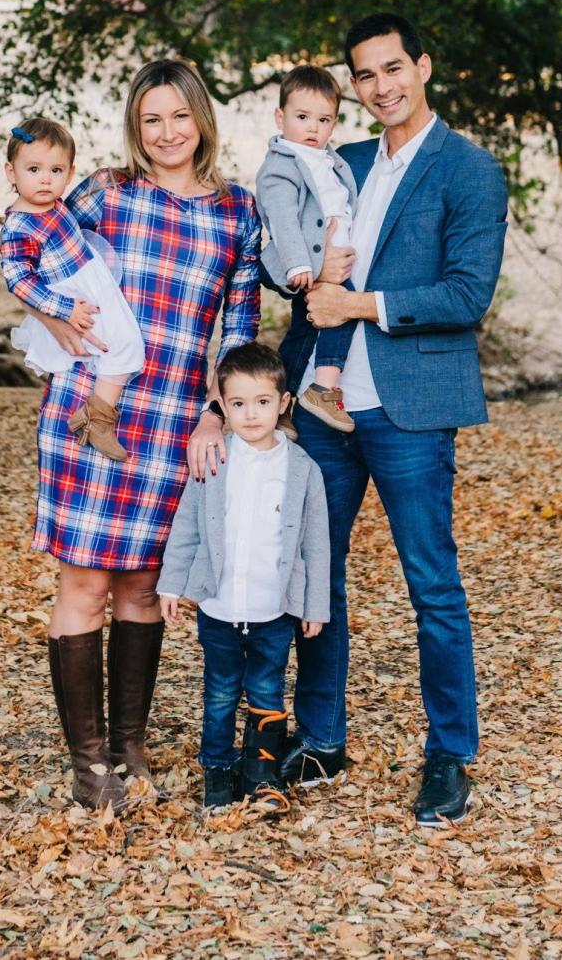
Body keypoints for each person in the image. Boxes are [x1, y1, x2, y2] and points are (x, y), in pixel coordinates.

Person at [277, 12, 508, 827]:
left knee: (432, 587)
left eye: (392, 69)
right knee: (314, 575)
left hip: (410, 409)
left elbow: (466, 295)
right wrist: (301, 292)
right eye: (364, 77)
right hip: (321, 409)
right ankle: (322, 737)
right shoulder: (338, 161)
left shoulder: (469, 171)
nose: (380, 87)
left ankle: (449, 756)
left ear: (423, 67)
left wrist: (363, 303)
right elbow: (298, 272)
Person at [19, 62, 261, 813]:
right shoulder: (101, 193)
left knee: (143, 588)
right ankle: (86, 762)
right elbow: (33, 245)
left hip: (176, 423)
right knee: (85, 582)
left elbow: (240, 326)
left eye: (179, 117)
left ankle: (128, 746)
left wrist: (217, 411)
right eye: (151, 119)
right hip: (95, 411)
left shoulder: (237, 212)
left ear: (201, 121)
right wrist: (56, 320)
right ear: (135, 126)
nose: (166, 133)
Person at [158, 342, 330, 815]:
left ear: (284, 404)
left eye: (261, 402)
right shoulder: (213, 459)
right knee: (219, 692)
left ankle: (261, 773)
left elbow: (316, 544)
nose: (250, 415)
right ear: (223, 406)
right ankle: (217, 767)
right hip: (220, 606)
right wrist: (172, 585)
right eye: (237, 404)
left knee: (268, 690)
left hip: (273, 609)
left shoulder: (302, 470)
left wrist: (315, 606)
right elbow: (187, 525)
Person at [0, 116, 146, 463]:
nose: (45, 179)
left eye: (56, 170)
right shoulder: (18, 226)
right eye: (33, 169)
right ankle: (99, 417)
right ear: (11, 172)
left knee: (126, 344)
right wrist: (64, 309)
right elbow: (18, 280)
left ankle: (96, 413)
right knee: (124, 346)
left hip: (93, 279)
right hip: (74, 296)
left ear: (70, 173)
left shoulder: (56, 205)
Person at [255, 66, 358, 433]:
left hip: (328, 261)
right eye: (302, 117)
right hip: (308, 263)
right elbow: (282, 217)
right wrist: (303, 264)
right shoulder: (283, 164)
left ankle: (281, 401)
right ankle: (324, 388)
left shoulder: (327, 158)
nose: (313, 128)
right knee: (340, 314)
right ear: (280, 117)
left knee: (303, 332)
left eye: (323, 119)